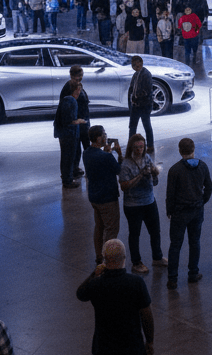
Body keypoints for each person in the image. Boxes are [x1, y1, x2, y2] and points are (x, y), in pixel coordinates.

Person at [76, 239, 154, 355]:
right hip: (133, 352)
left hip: (104, 354)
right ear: (124, 258)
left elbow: (80, 294)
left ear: (104, 260)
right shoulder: (136, 283)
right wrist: (149, 341)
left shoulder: (96, 285)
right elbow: (147, 315)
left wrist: (94, 273)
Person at [164, 137, 212, 290]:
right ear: (193, 150)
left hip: (179, 212)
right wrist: (202, 201)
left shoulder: (174, 170)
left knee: (176, 245)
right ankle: (193, 274)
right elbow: (209, 188)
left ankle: (172, 278)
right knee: (194, 242)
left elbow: (170, 194)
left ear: (179, 151)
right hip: (197, 210)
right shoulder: (202, 166)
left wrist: (169, 210)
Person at [118, 133, 164, 275]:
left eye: (142, 147)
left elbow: (154, 175)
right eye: (137, 147)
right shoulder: (126, 164)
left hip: (149, 201)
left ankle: (157, 257)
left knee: (155, 231)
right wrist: (139, 176)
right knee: (135, 234)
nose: (140, 150)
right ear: (132, 147)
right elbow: (124, 186)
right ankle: (136, 262)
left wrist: (154, 171)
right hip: (133, 206)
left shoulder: (146, 157)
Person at [85, 126, 123, 266]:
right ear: (99, 138)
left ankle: (99, 256)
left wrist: (107, 153)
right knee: (111, 229)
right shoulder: (106, 157)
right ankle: (109, 259)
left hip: (94, 197)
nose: (106, 137)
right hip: (108, 198)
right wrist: (118, 154)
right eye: (104, 134)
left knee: (99, 227)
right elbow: (120, 171)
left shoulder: (87, 153)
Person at [57, 66, 90, 188]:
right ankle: (68, 178)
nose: (80, 78)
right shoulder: (69, 89)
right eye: (78, 76)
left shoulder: (76, 85)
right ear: (72, 76)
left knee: (77, 150)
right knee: (69, 153)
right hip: (75, 126)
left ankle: (74, 171)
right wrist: (77, 122)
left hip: (80, 124)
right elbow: (67, 114)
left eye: (81, 75)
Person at [126, 56, 155, 152]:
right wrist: (131, 100)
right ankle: (131, 145)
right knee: (132, 126)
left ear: (141, 63)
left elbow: (147, 91)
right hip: (135, 106)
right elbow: (131, 88)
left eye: (136, 64)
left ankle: (150, 146)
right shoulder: (135, 74)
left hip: (144, 106)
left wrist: (136, 97)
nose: (134, 66)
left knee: (146, 125)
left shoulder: (146, 74)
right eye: (133, 65)